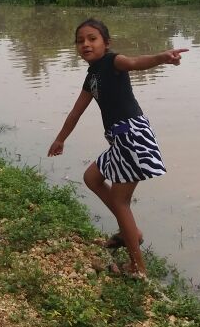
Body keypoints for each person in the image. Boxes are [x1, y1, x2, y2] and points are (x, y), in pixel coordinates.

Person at [47, 18, 187, 277]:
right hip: (119, 140)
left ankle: (137, 267)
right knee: (92, 177)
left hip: (132, 137)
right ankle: (130, 233)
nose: (86, 44)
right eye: (80, 41)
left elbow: (135, 62)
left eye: (92, 39)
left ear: (106, 43)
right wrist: (60, 139)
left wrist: (162, 57)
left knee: (121, 202)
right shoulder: (92, 77)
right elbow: (76, 112)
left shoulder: (113, 62)